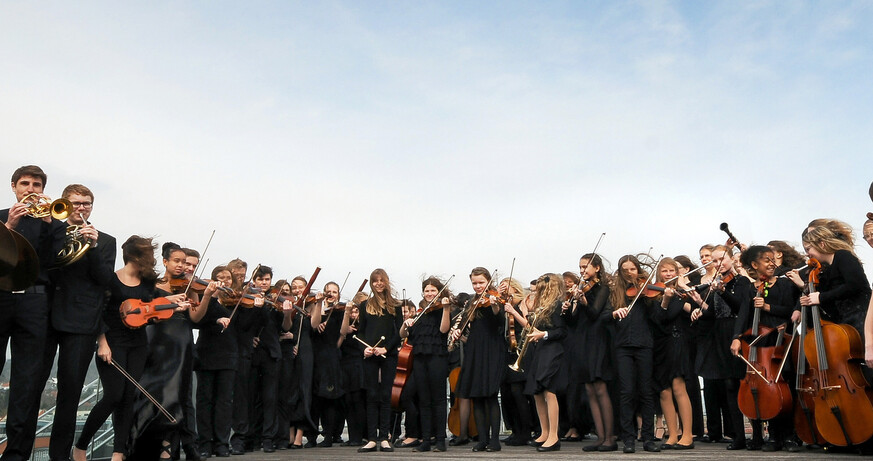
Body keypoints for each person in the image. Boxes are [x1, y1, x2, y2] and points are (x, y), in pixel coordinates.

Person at [72, 236, 188, 461]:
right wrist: (102, 343)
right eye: (148, 255)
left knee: (127, 398)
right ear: (135, 256)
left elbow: (149, 315)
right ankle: (81, 446)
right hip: (112, 344)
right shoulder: (111, 280)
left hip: (137, 345)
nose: (153, 259)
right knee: (113, 396)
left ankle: (118, 452)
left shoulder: (147, 283)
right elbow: (99, 313)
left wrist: (172, 308)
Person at [41, 184, 114, 461]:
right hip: (45, 317)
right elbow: (45, 264)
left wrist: (93, 247)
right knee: (33, 386)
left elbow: (105, 281)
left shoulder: (105, 240)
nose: (81, 208)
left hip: (82, 322)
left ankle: (59, 457)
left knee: (70, 396)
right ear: (65, 204)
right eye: (76, 203)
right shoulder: (51, 231)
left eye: (86, 203)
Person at [1, 165, 66, 461]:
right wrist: (10, 227)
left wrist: (53, 224)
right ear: (14, 186)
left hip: (34, 301)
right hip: (1, 298)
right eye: (25, 183)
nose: (31, 189)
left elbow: (57, 263)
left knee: (27, 381)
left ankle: (16, 455)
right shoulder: (2, 217)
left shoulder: (52, 220)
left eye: (37, 184)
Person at [732, 245, 801, 452]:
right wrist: (736, 338)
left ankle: (789, 435)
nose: (771, 264)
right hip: (759, 341)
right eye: (766, 260)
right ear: (754, 265)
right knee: (763, 388)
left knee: (785, 386)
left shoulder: (784, 285)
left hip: (781, 339)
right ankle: (771, 436)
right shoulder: (750, 288)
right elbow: (743, 314)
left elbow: (792, 310)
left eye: (773, 260)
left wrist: (768, 307)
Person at [690, 245, 749, 450]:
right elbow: (714, 313)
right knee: (728, 385)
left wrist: (722, 292)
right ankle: (738, 436)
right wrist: (700, 308)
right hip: (719, 334)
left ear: (732, 259)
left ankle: (749, 434)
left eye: (721, 259)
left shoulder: (741, 282)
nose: (718, 264)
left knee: (740, 384)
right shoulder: (716, 285)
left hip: (736, 332)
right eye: (714, 261)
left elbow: (740, 308)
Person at [342, 269, 403, 453]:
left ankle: (384, 438)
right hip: (369, 355)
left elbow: (399, 332)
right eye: (375, 281)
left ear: (386, 281)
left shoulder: (396, 305)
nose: (378, 283)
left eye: (381, 280)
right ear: (371, 283)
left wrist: (387, 348)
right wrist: (364, 348)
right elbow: (360, 332)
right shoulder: (365, 305)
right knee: (371, 395)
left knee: (385, 395)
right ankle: (371, 439)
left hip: (388, 354)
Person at [449, 267, 506, 452]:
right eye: (474, 283)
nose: (478, 286)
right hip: (474, 350)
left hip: (492, 350)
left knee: (490, 396)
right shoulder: (471, 302)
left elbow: (499, 321)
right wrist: (458, 332)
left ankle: (495, 440)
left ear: (488, 281)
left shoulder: (494, 298)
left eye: (481, 282)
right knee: (477, 396)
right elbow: (467, 326)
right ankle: (482, 439)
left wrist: (495, 304)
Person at [609, 255, 660, 454]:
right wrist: (614, 313)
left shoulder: (647, 291)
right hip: (622, 346)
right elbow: (604, 316)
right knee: (626, 392)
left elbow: (656, 318)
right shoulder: (616, 292)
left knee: (646, 392)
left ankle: (648, 438)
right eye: (625, 269)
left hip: (644, 344)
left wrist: (657, 298)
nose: (629, 272)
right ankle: (628, 439)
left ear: (638, 269)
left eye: (633, 269)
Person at [566, 253, 616, 452]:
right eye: (580, 267)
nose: (582, 270)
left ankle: (609, 438)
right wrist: (569, 307)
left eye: (585, 266)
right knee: (589, 389)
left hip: (598, 340)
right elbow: (571, 322)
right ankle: (600, 437)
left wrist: (584, 302)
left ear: (597, 268)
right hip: (583, 340)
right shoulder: (579, 289)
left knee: (600, 388)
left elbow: (595, 313)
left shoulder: (602, 288)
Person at [399, 276, 453, 452]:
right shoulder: (421, 313)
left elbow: (444, 330)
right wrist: (406, 323)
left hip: (437, 357)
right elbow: (403, 335)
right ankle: (426, 440)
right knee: (423, 400)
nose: (429, 293)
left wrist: (446, 309)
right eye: (427, 291)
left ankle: (439, 440)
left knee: (438, 399)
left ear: (439, 292)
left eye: (433, 290)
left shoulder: (442, 309)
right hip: (420, 359)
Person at [194, 266, 241, 457]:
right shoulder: (207, 298)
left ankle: (222, 443)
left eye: (228, 278)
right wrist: (210, 296)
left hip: (228, 353)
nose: (225, 281)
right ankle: (205, 442)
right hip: (206, 352)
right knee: (205, 400)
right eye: (220, 277)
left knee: (224, 401)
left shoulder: (235, 301)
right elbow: (198, 319)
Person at [653, 258, 699, 450]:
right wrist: (664, 298)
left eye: (672, 270)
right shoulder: (653, 294)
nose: (669, 274)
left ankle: (687, 434)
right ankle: (672, 434)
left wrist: (674, 295)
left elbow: (670, 316)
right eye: (665, 271)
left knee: (679, 387)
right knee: (664, 390)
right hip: (659, 345)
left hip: (677, 341)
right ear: (659, 274)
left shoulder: (682, 294)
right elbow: (656, 319)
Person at [521, 274, 568, 452]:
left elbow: (562, 331)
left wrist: (544, 335)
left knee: (550, 391)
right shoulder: (542, 307)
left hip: (553, 350)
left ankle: (554, 436)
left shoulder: (557, 306)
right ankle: (545, 431)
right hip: (541, 350)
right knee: (537, 392)